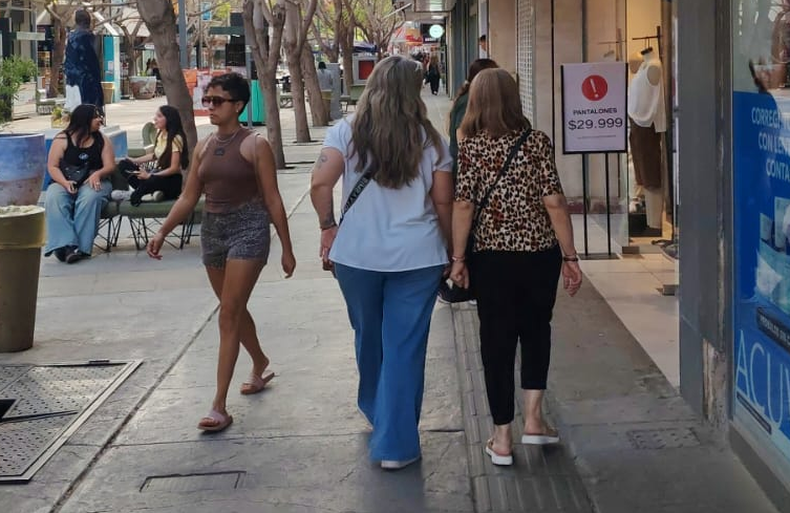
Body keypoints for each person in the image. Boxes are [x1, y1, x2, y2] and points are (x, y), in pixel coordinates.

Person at [310, 55, 454, 470]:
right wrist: (450, 249)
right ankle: (395, 443)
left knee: (367, 334)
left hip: (357, 255)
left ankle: (377, 409)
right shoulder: (432, 140)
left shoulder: (345, 131)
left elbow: (320, 182)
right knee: (404, 345)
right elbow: (442, 200)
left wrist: (327, 227)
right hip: (418, 254)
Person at [147, 72, 296, 432]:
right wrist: (163, 230)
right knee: (234, 308)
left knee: (227, 314)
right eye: (207, 100)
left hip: (249, 228)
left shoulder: (255, 145)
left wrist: (287, 248)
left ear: (238, 106)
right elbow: (188, 196)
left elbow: (273, 199)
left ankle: (218, 406)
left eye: (217, 101)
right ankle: (259, 362)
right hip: (213, 231)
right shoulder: (202, 146)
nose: (209, 106)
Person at [450, 69, 583, 466]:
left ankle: (502, 437)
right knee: (536, 331)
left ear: (476, 101)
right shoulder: (537, 142)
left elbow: (463, 205)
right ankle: (534, 421)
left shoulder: (470, 147)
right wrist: (570, 257)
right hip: (539, 256)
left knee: (496, 341)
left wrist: (458, 259)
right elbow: (555, 202)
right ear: (514, 98)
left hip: (491, 259)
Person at [438, 58, 499, 304]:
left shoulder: (468, 100)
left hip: (468, 172)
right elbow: (464, 139)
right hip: (466, 174)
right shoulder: (470, 103)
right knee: (469, 227)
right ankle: (464, 285)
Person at [44, 104, 115, 264]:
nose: (100, 120)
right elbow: (52, 166)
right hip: (64, 180)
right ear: (84, 120)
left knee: (89, 198)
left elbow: (110, 165)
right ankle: (66, 245)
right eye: (96, 117)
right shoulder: (62, 139)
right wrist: (64, 182)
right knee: (54, 197)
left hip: (94, 181)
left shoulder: (102, 139)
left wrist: (98, 173)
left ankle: (78, 248)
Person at [115, 105, 189, 206]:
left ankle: (134, 194)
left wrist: (151, 175)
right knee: (124, 165)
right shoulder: (161, 134)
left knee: (152, 180)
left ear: (169, 119)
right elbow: (155, 155)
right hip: (156, 175)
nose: (155, 119)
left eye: (159, 116)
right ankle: (153, 192)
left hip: (171, 180)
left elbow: (174, 169)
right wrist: (134, 160)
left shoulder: (176, 138)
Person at [64, 10, 104, 113]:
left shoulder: (72, 37)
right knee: (91, 108)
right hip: (90, 80)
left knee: (78, 109)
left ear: (76, 20)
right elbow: (94, 62)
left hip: (75, 80)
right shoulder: (91, 37)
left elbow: (69, 61)